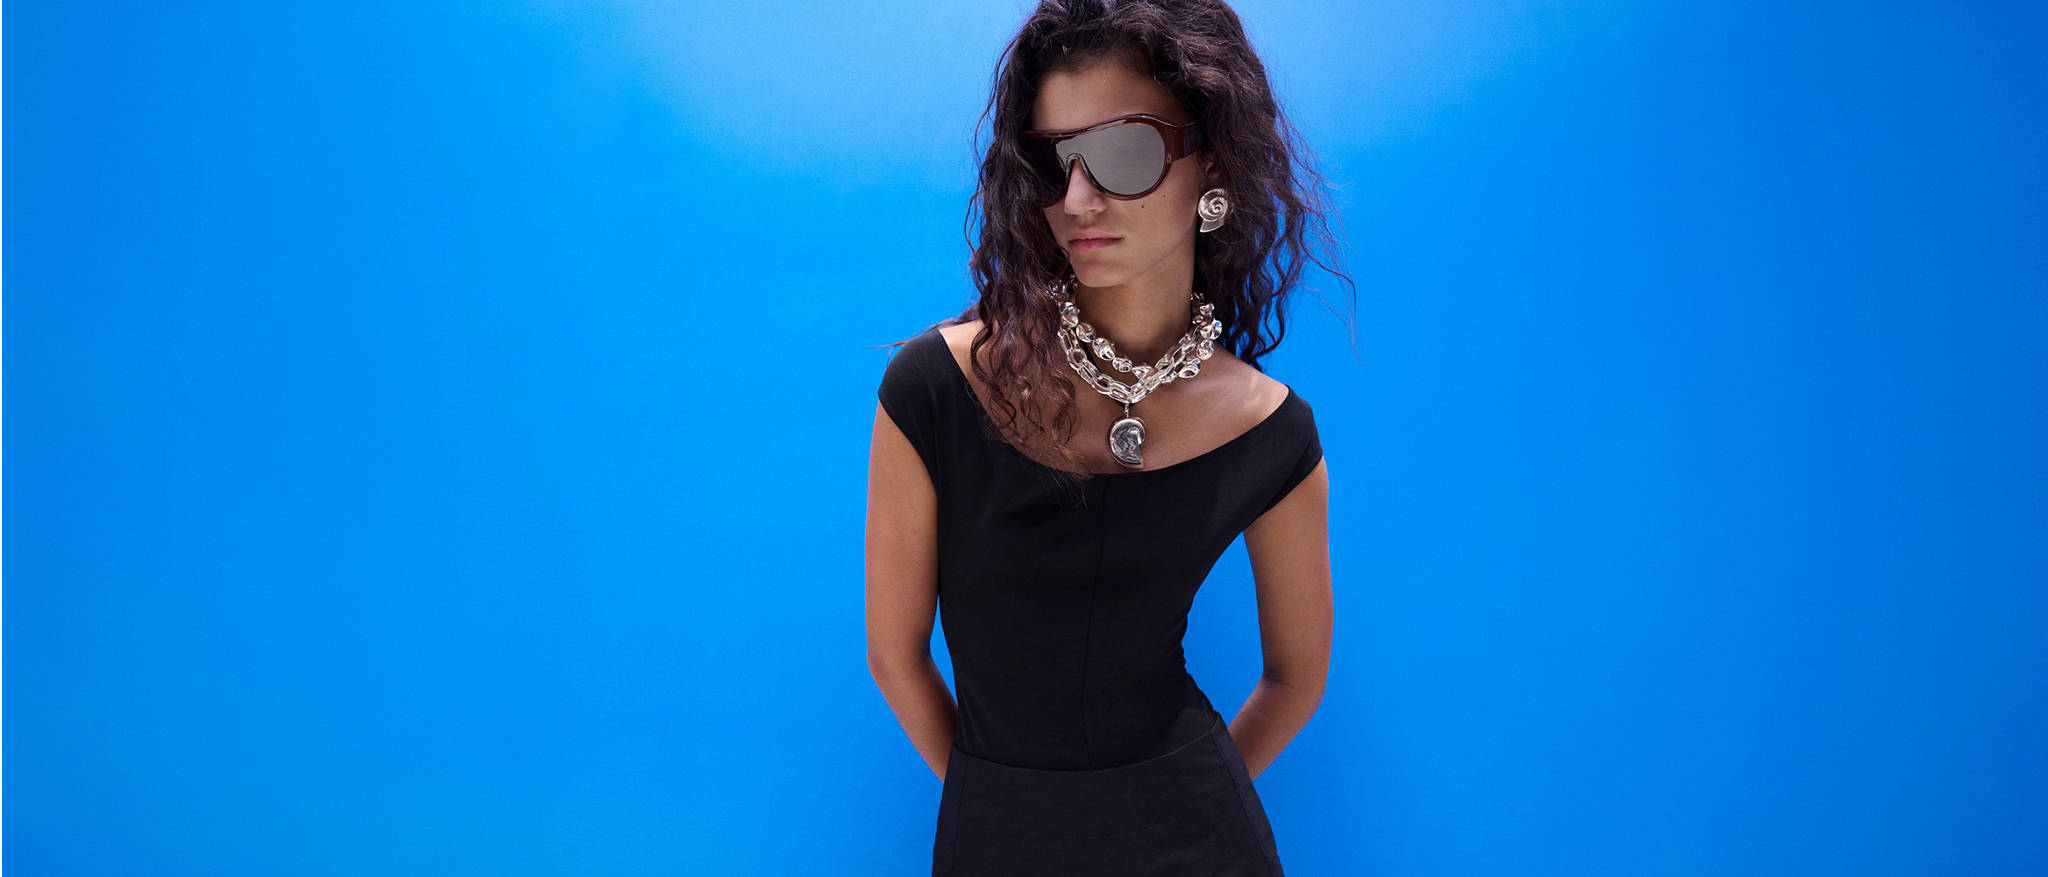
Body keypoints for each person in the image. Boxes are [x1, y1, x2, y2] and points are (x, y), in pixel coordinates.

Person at [865, 1, 1351, 873]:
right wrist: (1014, 807)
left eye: (1124, 152)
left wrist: (1175, 809)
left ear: (1214, 160)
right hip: (997, 841)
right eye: (1053, 161)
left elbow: (1296, 679)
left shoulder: (1271, 429)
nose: (1079, 199)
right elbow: (895, 655)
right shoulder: (935, 388)